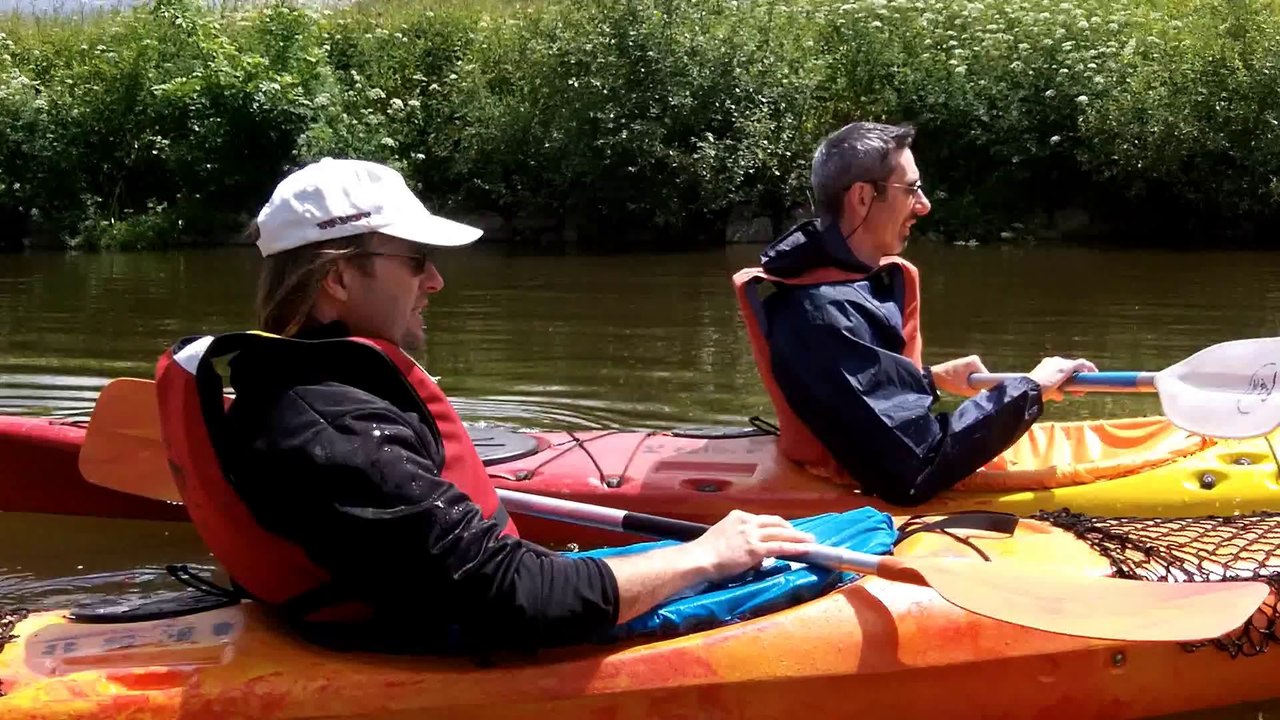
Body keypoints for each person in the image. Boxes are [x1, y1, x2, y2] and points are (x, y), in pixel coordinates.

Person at [154, 158, 816, 655]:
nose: (435, 280)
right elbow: (514, 598)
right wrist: (707, 553)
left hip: (401, 611)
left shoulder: (317, 400)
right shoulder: (330, 427)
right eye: (416, 261)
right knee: (764, 559)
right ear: (336, 277)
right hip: (427, 641)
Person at [733, 122, 1096, 507]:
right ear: (862, 197)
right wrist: (1031, 389)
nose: (923, 205)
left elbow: (854, 393)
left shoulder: (845, 288)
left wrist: (929, 380)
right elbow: (915, 469)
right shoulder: (823, 313)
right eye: (911, 189)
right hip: (850, 491)